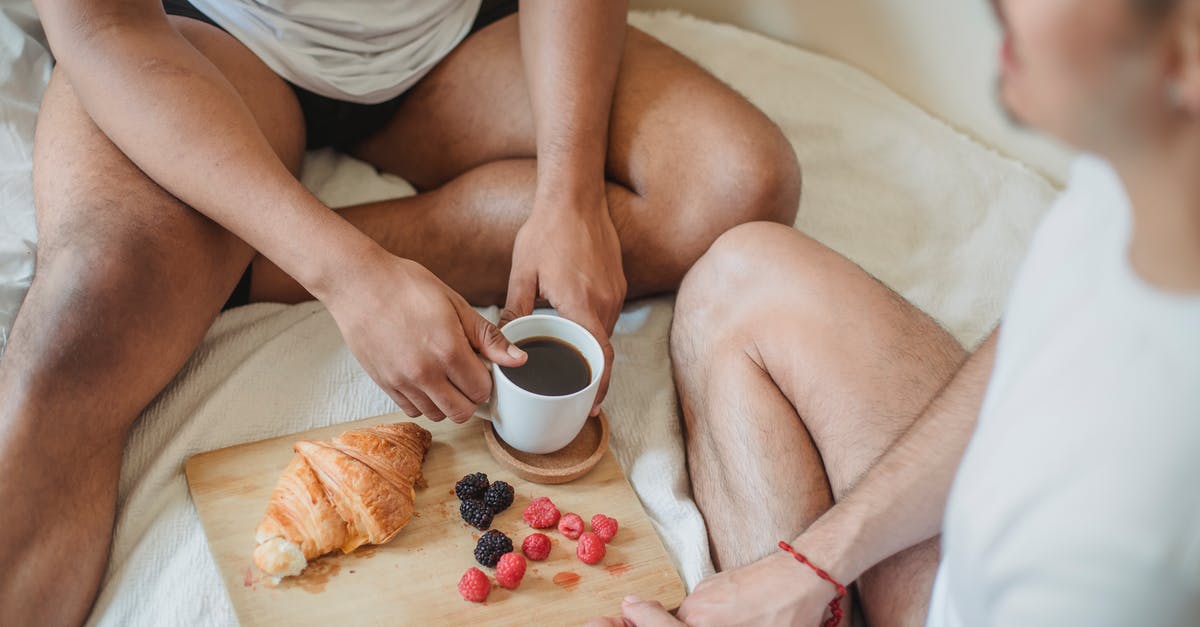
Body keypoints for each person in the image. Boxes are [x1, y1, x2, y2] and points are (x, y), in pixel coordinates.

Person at [0, 0, 801, 623]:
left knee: (732, 183)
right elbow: (102, 24)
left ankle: (245, 266)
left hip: (452, 43)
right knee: (88, 317)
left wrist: (569, 193)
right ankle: (273, 250)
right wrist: (348, 277)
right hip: (204, 45)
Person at [590, 0, 1200, 625]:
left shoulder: (1133, 539)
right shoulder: (1146, 173)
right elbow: (1036, 337)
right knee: (740, 277)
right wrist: (812, 563)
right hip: (986, 540)